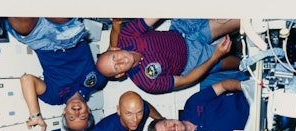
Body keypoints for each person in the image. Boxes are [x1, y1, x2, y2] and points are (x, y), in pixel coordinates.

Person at [5, 17, 108, 131]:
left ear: (64, 112)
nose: (77, 112)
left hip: (41, 43)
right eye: (82, 116)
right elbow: (111, 55)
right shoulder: (97, 82)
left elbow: (27, 79)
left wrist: (35, 115)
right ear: (89, 110)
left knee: (22, 23)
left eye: (72, 117)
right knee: (60, 17)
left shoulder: (54, 97)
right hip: (69, 37)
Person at [96, 18, 240, 94]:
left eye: (114, 57)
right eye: (116, 67)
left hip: (183, 31)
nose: (121, 61)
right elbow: (185, 80)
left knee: (234, 19)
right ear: (119, 74)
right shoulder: (146, 82)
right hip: (192, 61)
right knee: (238, 63)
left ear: (114, 49)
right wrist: (215, 57)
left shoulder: (127, 36)